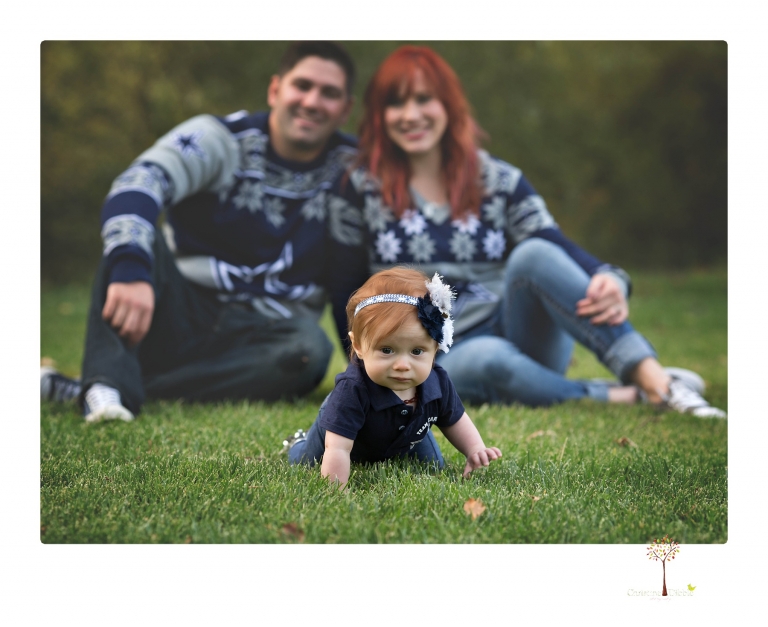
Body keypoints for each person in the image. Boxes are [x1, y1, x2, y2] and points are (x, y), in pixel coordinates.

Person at [326, 45, 726, 418]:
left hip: (516, 331)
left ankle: (658, 382)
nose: (410, 114)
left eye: (424, 98)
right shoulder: (359, 188)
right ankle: (622, 393)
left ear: (449, 105)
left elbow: (550, 240)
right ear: (378, 114)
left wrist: (610, 274)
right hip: (428, 354)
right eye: (396, 103)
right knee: (489, 357)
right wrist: (361, 375)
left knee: (533, 253)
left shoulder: (496, 178)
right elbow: (345, 288)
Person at [41, 41, 368, 422]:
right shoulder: (218, 139)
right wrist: (130, 268)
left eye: (329, 93)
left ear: (346, 108)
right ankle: (106, 387)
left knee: (309, 349)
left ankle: (96, 386)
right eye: (303, 86)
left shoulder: (356, 169)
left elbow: (367, 260)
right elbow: (138, 183)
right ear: (275, 89)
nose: (312, 101)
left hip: (266, 334)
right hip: (177, 309)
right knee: (134, 236)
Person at [283, 267, 502, 487]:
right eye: (387, 350)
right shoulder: (352, 390)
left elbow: (455, 419)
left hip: (408, 432)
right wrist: (336, 489)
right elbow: (337, 448)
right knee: (306, 461)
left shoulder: (437, 382)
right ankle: (299, 442)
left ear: (435, 347)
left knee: (435, 466)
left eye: (417, 351)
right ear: (359, 346)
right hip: (348, 437)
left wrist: (475, 450)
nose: (402, 365)